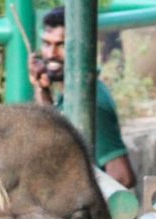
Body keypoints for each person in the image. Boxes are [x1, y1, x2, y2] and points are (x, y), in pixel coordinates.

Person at [29, 6, 137, 189]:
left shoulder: (92, 103)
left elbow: (122, 177)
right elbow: (55, 133)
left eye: (61, 45)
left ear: (82, 48)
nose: (51, 54)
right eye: (47, 44)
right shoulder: (70, 94)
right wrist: (41, 88)